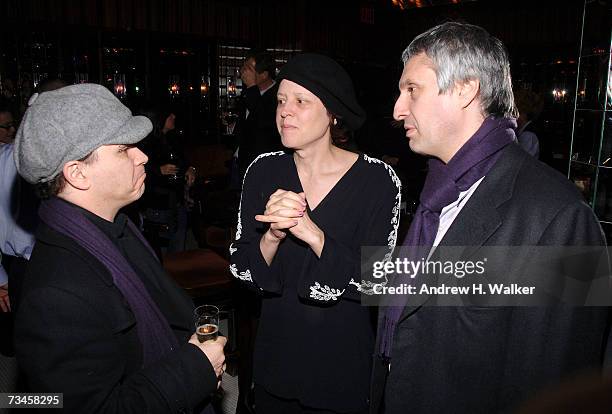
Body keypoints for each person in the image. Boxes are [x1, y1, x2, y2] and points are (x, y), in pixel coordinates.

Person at [372, 22, 611, 414]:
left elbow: (562, 390)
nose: (398, 110)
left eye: (411, 90)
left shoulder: (563, 218)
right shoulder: (436, 192)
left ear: (465, 89)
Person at [12, 83, 226, 413]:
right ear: (78, 173)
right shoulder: (56, 296)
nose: (142, 156)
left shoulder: (117, 229)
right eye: (124, 149)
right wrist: (194, 367)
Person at [229, 53, 401, 414]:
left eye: (301, 101)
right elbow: (242, 270)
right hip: (275, 363)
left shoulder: (378, 180)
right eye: (280, 101)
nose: (284, 111)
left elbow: (378, 283)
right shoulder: (262, 170)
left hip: (341, 371)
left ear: (333, 113)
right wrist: (272, 236)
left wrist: (314, 235)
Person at [137, 106, 197, 256]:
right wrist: (158, 170)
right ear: (160, 118)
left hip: (178, 201)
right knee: (160, 251)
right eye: (169, 114)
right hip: (158, 204)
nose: (173, 117)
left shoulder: (173, 139)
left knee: (179, 250)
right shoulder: (145, 143)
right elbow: (136, 172)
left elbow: (185, 162)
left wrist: (191, 169)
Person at [236, 49, 283, 180]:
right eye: (244, 66)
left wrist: (251, 87)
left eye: (249, 68)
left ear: (263, 75)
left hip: (264, 166)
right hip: (241, 161)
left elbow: (263, 122)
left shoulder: (278, 96)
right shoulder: (247, 94)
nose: (243, 71)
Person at [514, 87, 543, 158]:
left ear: (523, 113)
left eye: (514, 113)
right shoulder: (527, 132)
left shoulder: (528, 135)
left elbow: (520, 162)